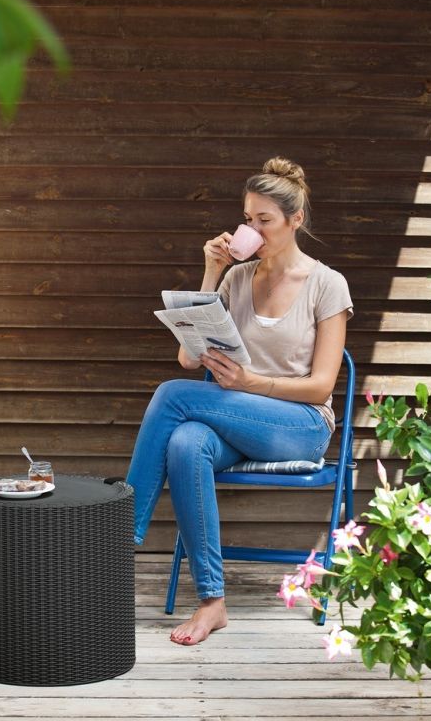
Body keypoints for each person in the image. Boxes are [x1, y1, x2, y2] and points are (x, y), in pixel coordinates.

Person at [126, 157, 353, 646]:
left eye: (264, 220)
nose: (253, 230)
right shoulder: (237, 279)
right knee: (186, 441)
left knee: (172, 395)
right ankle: (213, 602)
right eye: (248, 219)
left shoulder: (327, 284)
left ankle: (120, 538)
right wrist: (212, 273)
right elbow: (189, 358)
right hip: (240, 423)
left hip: (301, 425)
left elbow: (320, 387)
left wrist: (251, 382)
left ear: (296, 220)